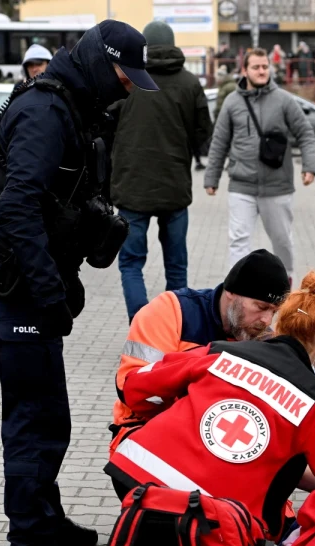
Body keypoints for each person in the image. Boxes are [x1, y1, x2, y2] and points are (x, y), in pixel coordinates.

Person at [0, 20, 159, 546]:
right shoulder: (47, 113)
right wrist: (50, 292)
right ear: (103, 64)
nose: (129, 87)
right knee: (36, 418)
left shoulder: (72, 103)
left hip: (31, 281)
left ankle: (44, 520)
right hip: (17, 287)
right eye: (126, 75)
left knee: (45, 412)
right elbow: (18, 208)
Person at [106, 271, 315, 538]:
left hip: (136, 474)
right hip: (219, 516)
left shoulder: (219, 351)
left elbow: (136, 386)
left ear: (280, 325)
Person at [109, 248, 290, 455]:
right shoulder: (171, 311)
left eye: (274, 312)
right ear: (231, 292)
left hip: (217, 444)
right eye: (260, 307)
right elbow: (132, 392)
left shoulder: (264, 338)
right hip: (146, 431)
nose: (267, 320)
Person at [110, 20, 212, 321]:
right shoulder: (190, 84)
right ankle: (173, 330)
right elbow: (203, 133)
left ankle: (141, 330)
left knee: (131, 264)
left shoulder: (126, 80)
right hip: (174, 189)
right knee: (177, 267)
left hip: (131, 189)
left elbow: (106, 125)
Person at [205, 48, 315, 281]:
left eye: (265, 67)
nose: (261, 71)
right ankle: (235, 290)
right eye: (256, 67)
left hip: (277, 185)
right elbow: (219, 142)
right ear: (244, 70)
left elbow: (305, 132)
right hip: (241, 185)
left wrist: (309, 166)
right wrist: (211, 178)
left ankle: (286, 287)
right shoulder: (232, 102)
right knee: (238, 240)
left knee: (282, 240)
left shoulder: (284, 100)